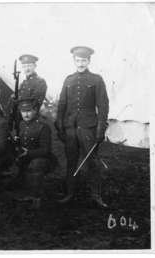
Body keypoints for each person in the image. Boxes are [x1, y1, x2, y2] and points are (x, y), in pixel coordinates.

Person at [55, 46, 109, 208]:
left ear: (89, 61)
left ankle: (96, 196)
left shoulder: (96, 79)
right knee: (71, 161)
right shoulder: (68, 80)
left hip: (89, 127)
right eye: (78, 60)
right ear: (74, 61)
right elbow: (62, 104)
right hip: (70, 128)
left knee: (92, 162)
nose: (80, 63)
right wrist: (60, 125)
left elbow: (103, 105)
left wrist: (100, 128)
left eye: (84, 60)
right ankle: (70, 193)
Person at [14, 93, 52, 209]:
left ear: (35, 110)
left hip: (41, 158)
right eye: (23, 111)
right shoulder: (21, 124)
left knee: (35, 166)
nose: (26, 114)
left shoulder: (43, 126)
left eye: (29, 111)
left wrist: (29, 153)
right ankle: (26, 193)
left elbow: (46, 150)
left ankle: (36, 197)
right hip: (25, 156)